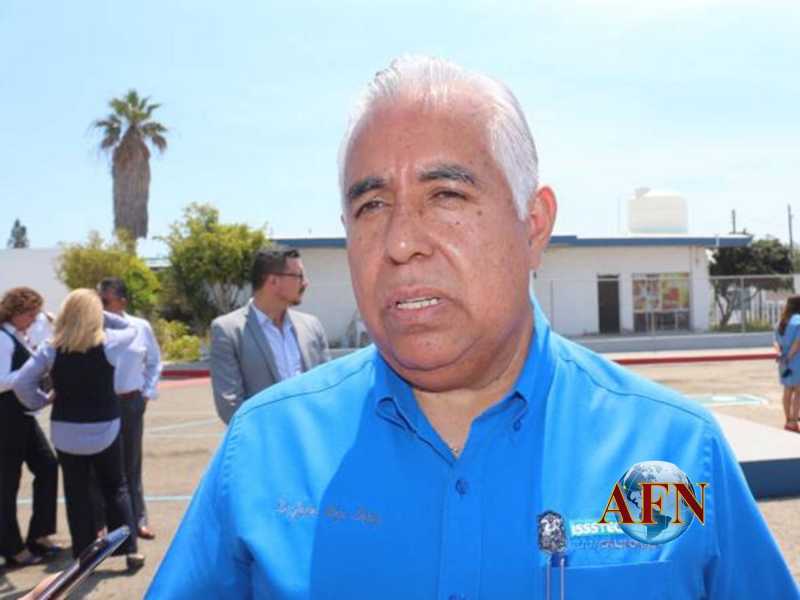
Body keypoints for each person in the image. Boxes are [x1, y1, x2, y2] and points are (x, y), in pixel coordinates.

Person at [148, 56, 798, 598]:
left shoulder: (675, 453)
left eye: (447, 195)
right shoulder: (265, 450)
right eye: (371, 205)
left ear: (533, 225)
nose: (400, 242)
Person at [13, 289, 145, 570]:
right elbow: (131, 329)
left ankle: (84, 556)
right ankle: (129, 549)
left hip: (66, 430)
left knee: (77, 493)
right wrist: (101, 312)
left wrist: (40, 401)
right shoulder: (109, 343)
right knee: (115, 487)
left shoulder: (51, 348)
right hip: (105, 427)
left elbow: (22, 383)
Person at [209, 246, 331, 424]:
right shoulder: (228, 331)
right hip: (264, 438)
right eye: (299, 276)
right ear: (273, 281)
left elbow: (328, 385)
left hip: (311, 435)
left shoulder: (311, 326)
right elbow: (230, 405)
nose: (305, 283)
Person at [91, 277, 162, 540]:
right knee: (99, 466)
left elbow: (154, 361)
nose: (100, 305)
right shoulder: (91, 328)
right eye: (98, 300)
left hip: (130, 402)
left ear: (122, 301)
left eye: (105, 300)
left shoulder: (140, 327)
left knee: (131, 464)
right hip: (99, 404)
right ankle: (100, 524)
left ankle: (137, 519)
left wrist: (146, 394)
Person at [0, 287, 61, 568]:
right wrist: (29, 375)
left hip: (21, 415)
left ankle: (39, 534)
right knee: (7, 482)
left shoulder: (17, 335)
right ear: (16, 312)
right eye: (31, 314)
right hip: (6, 417)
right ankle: (11, 547)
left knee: (48, 465)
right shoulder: (3, 339)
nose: (34, 319)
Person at [774, 295, 800, 432]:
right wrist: (789, 357)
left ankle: (787, 420)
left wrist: (781, 355)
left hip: (783, 361)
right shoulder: (799, 320)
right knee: (798, 392)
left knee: (787, 390)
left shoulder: (781, 322)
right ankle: (794, 422)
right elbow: (797, 343)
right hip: (796, 360)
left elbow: (775, 342)